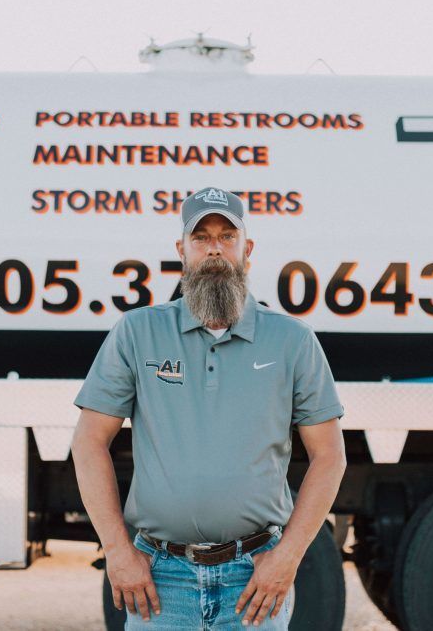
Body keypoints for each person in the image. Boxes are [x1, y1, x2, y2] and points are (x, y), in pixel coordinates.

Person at [70, 186, 346, 629]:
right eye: (200, 238)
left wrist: (287, 558)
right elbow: (88, 442)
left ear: (246, 249)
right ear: (181, 250)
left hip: (254, 579)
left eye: (226, 236)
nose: (214, 248)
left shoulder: (292, 340)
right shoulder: (138, 332)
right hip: (160, 579)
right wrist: (118, 552)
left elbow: (330, 456)